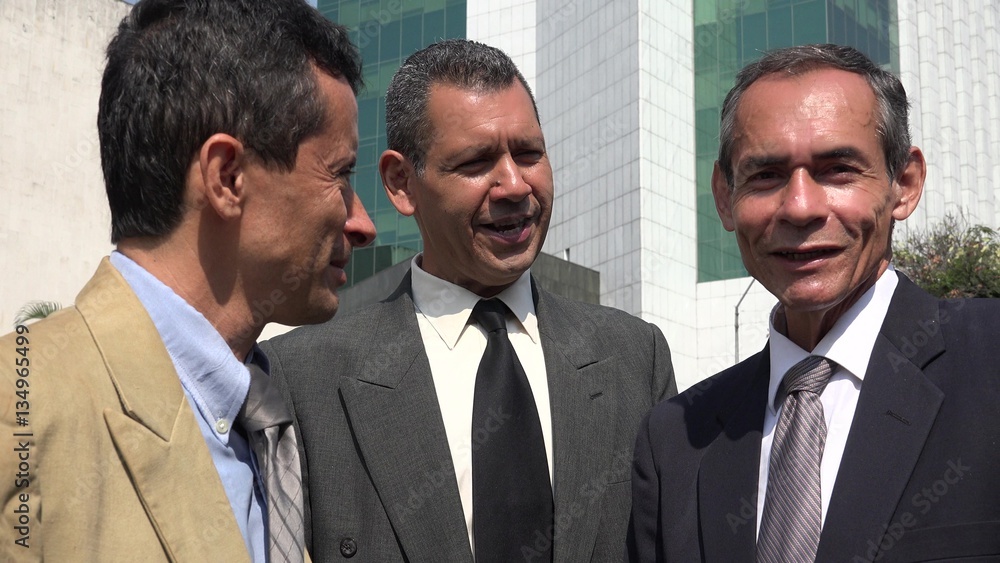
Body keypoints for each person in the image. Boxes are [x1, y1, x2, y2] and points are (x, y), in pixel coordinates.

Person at [262, 39, 676, 562]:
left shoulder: (634, 358)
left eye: (529, 154)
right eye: (476, 162)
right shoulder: (299, 380)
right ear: (402, 183)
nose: (514, 186)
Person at [0, 0, 375, 561]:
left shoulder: (278, 422)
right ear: (227, 177)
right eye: (340, 175)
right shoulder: (19, 414)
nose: (362, 223)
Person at [628, 43, 1000, 562]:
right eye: (766, 175)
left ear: (904, 184)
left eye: (837, 169)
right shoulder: (676, 442)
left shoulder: (988, 362)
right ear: (724, 197)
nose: (800, 207)